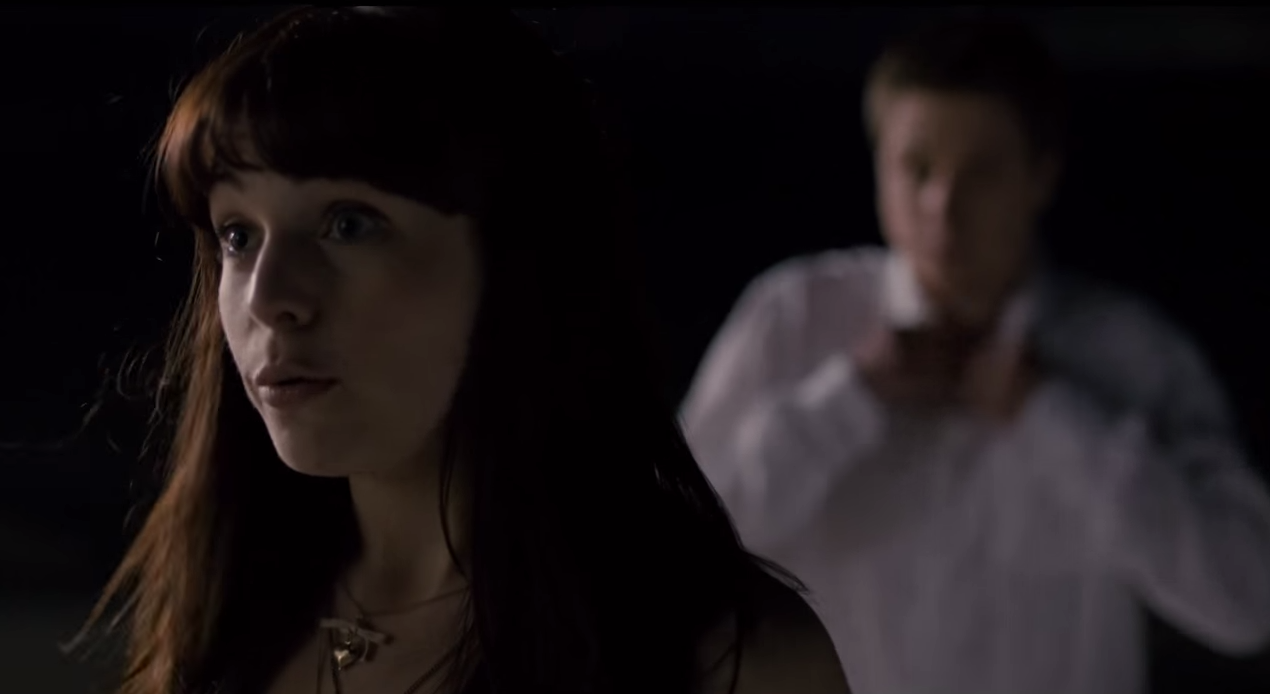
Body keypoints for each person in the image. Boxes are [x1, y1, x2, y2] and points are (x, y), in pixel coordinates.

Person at [73, 8, 848, 694]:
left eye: (349, 223)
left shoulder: (725, 662)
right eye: (238, 235)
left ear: (519, 264)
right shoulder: (224, 620)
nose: (268, 295)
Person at [681, 15, 1270, 694]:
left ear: (1041, 174)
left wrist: (1055, 415)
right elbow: (669, 558)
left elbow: (1247, 599)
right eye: (916, 168)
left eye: (982, 172)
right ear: (878, 164)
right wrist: (845, 401)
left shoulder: (1132, 353)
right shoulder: (791, 322)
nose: (942, 207)